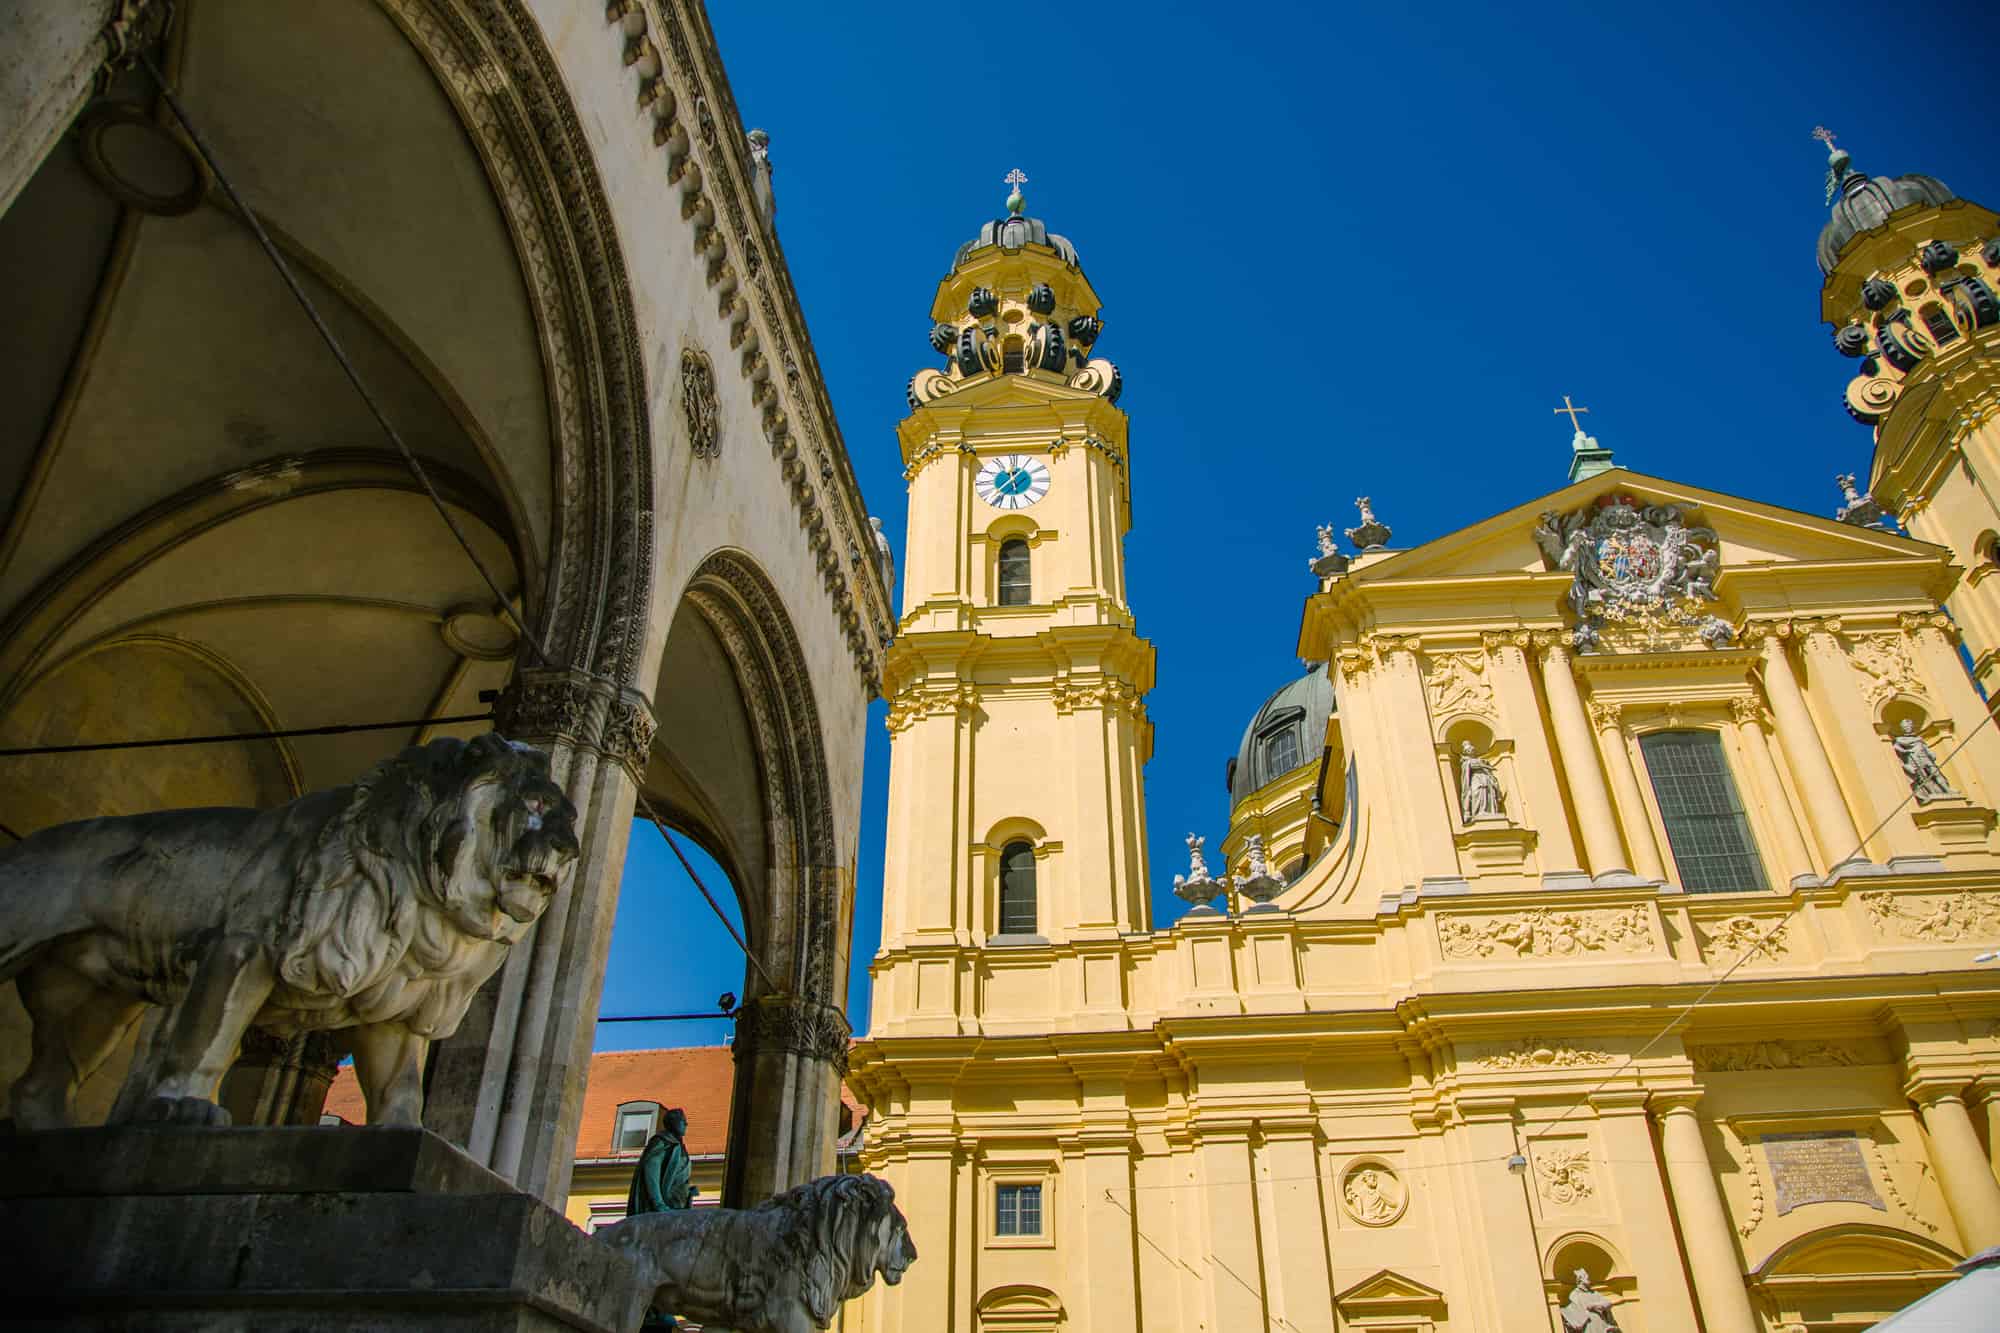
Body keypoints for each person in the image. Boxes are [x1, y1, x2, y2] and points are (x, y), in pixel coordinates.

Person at [627, 1108, 696, 1329]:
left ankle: (659, 1307)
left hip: (672, 1211)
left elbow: (676, 1178)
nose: (686, 1124)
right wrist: (658, 1205)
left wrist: (687, 1195)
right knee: (654, 1256)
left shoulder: (678, 1146)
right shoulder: (662, 1143)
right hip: (659, 1212)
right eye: (683, 1121)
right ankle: (652, 1309)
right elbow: (651, 1172)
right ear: (673, 1123)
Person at [1459, 741, 1504, 821]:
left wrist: (1486, 767)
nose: (1471, 751)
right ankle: (1479, 811)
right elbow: (1468, 770)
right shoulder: (1466, 762)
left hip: (1485, 778)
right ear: (1466, 752)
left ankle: (1490, 811)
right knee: (1478, 792)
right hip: (1476, 778)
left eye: (1471, 749)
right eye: (1468, 750)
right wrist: (1484, 766)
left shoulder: (1480, 760)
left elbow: (1487, 769)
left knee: (1489, 792)